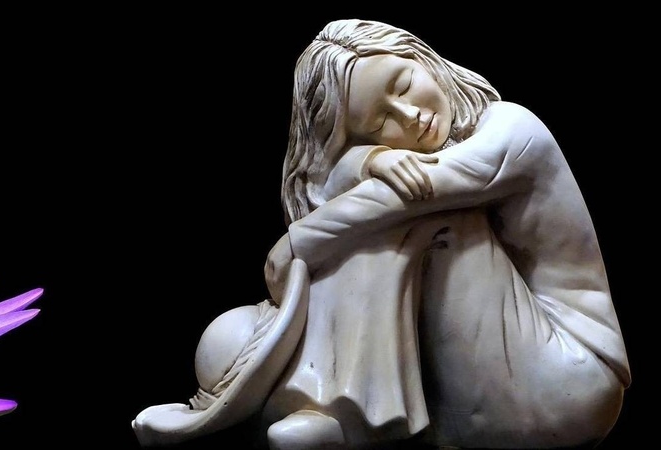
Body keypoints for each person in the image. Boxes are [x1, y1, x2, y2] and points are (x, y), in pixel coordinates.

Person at [262, 19, 630, 449]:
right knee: (382, 218)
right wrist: (368, 159)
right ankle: (332, 397)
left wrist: (297, 242)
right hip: (478, 384)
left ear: (424, 59)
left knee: (431, 218)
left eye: (403, 85)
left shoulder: (513, 126)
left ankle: (353, 419)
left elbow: (417, 193)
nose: (410, 116)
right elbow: (327, 186)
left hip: (574, 374)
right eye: (380, 123)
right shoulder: (405, 150)